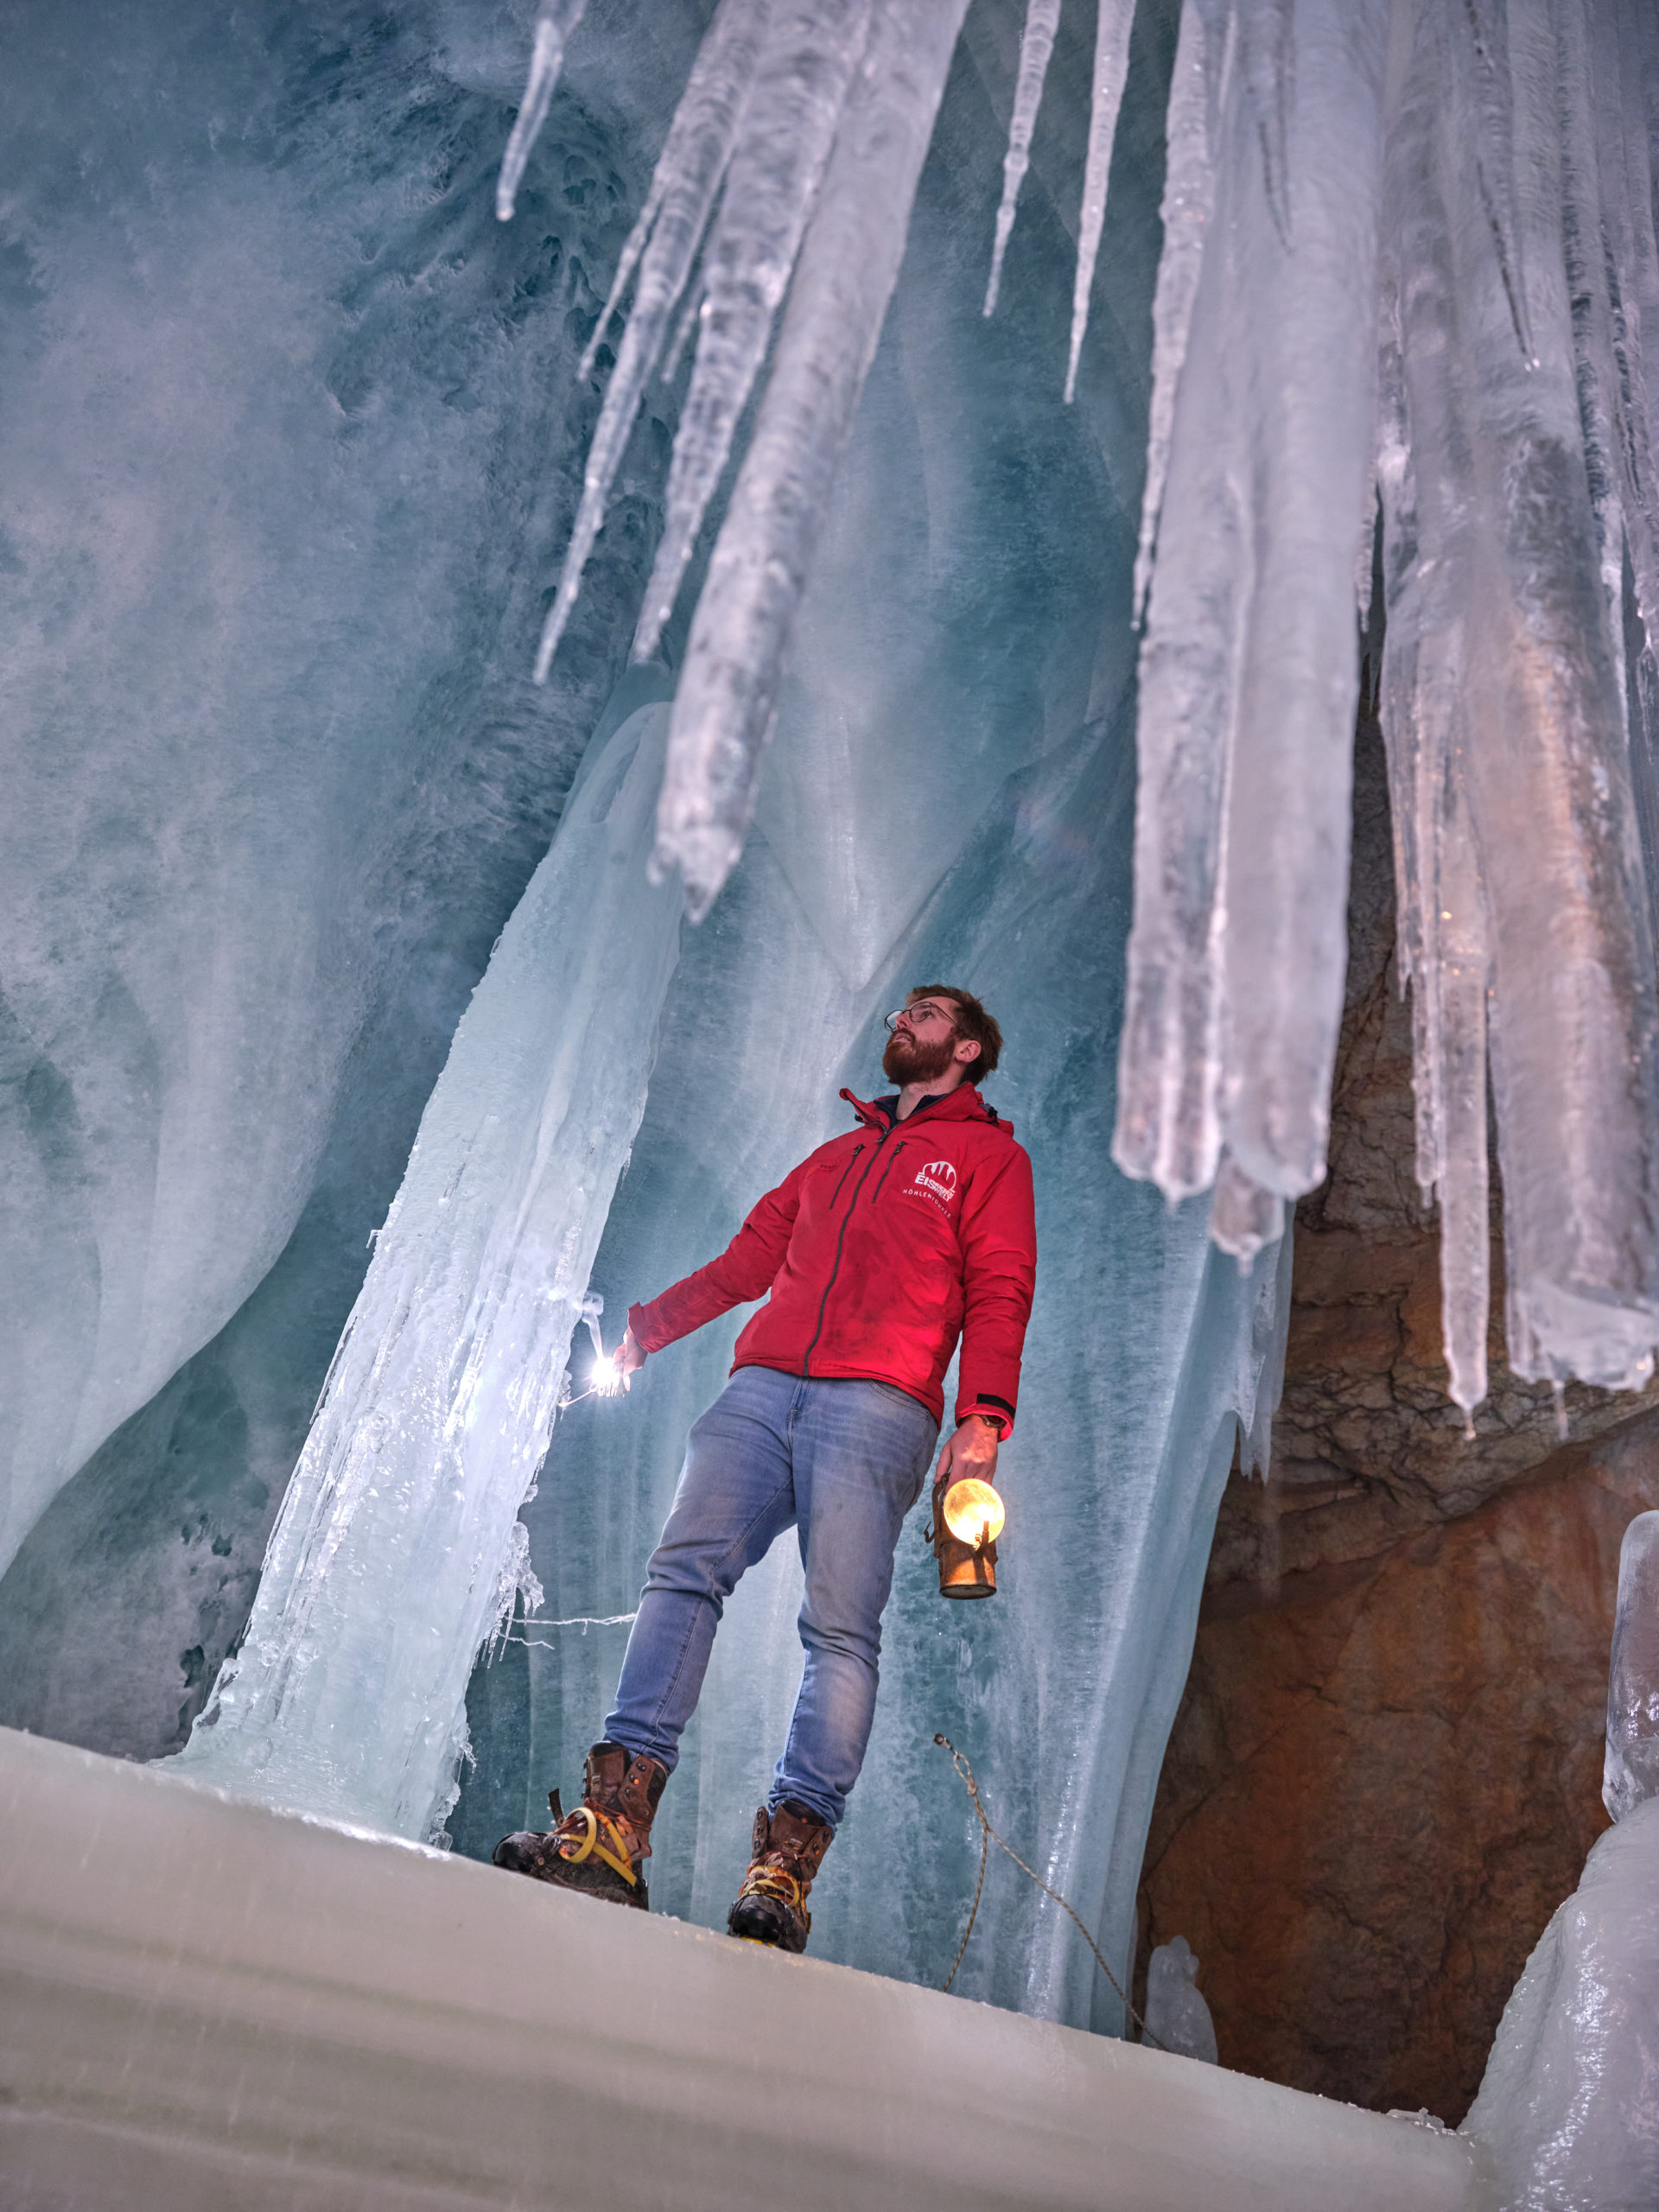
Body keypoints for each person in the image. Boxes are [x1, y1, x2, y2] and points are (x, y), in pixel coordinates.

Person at [494, 985, 1037, 1952]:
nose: (901, 1022)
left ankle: (782, 1869)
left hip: (880, 1403)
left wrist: (983, 1418)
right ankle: (614, 1827)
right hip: (760, 1389)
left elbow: (1000, 1285)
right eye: (901, 1013)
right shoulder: (836, 1158)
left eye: (926, 1013)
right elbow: (747, 1263)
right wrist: (646, 1332)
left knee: (837, 1630)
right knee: (682, 1573)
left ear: (968, 1048)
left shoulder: (987, 1160)